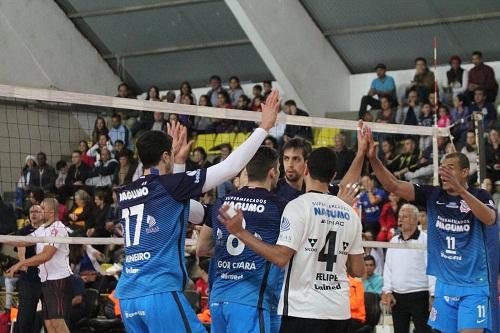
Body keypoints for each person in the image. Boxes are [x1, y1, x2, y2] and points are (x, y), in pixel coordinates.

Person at [114, 90, 281, 333]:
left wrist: (178, 162)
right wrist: (264, 127)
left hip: (128, 297)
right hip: (158, 292)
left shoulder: (127, 192)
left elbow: (183, 207)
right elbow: (230, 167)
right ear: (164, 156)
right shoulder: (169, 186)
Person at [366, 124, 499, 333]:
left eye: (450, 169)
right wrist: (373, 159)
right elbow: (393, 185)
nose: (444, 173)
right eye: (442, 169)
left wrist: (460, 190)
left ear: (465, 172)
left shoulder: (481, 196)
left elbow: (490, 218)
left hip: (473, 285)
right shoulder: (433, 195)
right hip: (445, 285)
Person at [218, 147, 365, 332]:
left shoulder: (297, 207)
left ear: (306, 170)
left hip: (302, 310)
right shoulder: (349, 213)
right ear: (333, 175)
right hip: (338, 311)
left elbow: (281, 257)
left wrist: (240, 232)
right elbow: (358, 270)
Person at [210, 146, 285, 333]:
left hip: (218, 299)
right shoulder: (279, 207)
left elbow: (203, 246)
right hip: (249, 301)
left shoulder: (222, 203)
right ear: (273, 172)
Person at [7, 198, 73, 333]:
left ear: (50, 211)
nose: (38, 211)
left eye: (41, 208)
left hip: (58, 280)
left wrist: (21, 263)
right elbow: (24, 241)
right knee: (49, 324)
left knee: (57, 322)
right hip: (46, 281)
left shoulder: (58, 228)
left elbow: (46, 255)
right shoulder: (43, 228)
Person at [382, 204, 435, 333]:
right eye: (399, 216)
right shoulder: (394, 241)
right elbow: (388, 268)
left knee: (424, 330)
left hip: (420, 295)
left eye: (405, 216)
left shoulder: (425, 240)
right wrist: (387, 291)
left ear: (415, 219)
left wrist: (433, 294)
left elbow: (432, 268)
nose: (400, 219)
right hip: (398, 297)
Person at [15, 204, 44, 333]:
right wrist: (23, 263)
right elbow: (20, 246)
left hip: (47, 278)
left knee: (50, 318)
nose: (33, 214)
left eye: (37, 211)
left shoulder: (48, 230)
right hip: (29, 278)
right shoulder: (24, 231)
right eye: (31, 211)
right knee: (25, 317)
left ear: (43, 213)